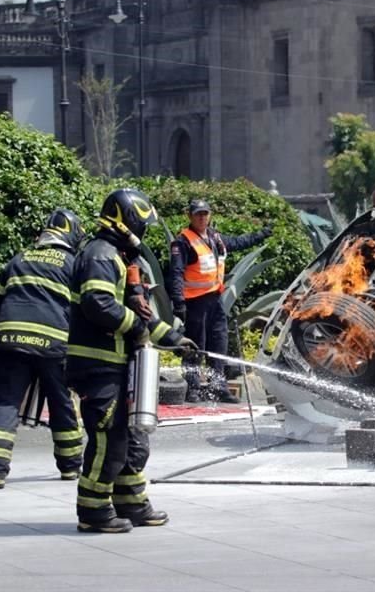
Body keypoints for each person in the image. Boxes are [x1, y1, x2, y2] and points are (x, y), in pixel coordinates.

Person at [67, 189, 196, 533]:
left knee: (134, 439)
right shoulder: (100, 254)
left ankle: (132, 503)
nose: (146, 230)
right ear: (127, 219)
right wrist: (138, 326)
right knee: (109, 438)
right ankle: (93, 511)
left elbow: (140, 312)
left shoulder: (123, 258)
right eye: (143, 223)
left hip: (119, 365)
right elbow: (98, 303)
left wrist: (174, 338)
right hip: (97, 365)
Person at [0, 209, 86, 489]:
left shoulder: (19, 259)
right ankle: (71, 467)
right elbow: (81, 308)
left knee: (5, 402)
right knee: (61, 403)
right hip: (53, 344)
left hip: (11, 341)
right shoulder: (73, 265)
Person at [169, 199, 272, 403]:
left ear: (210, 215)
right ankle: (193, 387)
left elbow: (237, 242)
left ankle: (218, 386)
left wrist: (260, 235)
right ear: (190, 216)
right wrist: (179, 302)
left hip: (215, 300)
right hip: (195, 302)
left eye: (205, 213)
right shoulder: (183, 241)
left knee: (219, 341)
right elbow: (177, 273)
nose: (202, 217)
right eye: (198, 214)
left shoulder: (215, 237)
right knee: (195, 345)